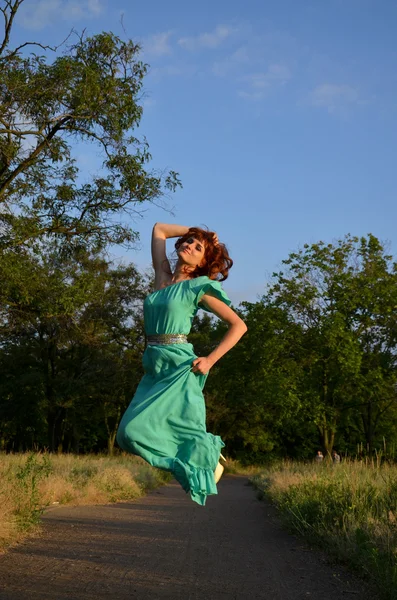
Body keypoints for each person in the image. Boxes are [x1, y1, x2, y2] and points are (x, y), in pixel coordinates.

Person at [116, 223, 247, 506]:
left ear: (202, 263)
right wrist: (198, 231)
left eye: (197, 248)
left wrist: (210, 360)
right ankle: (204, 461)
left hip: (179, 365)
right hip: (154, 365)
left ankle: (207, 457)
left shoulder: (197, 287)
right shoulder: (162, 276)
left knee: (133, 432)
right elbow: (159, 230)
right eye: (188, 241)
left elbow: (239, 326)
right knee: (128, 435)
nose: (189, 245)